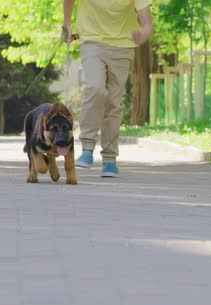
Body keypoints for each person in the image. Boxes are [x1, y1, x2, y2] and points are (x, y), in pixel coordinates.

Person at [62, 0, 154, 177]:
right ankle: (87, 147)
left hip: (123, 47)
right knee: (95, 88)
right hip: (92, 41)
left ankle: (110, 159)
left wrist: (142, 36)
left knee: (113, 101)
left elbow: (148, 24)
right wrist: (67, 23)